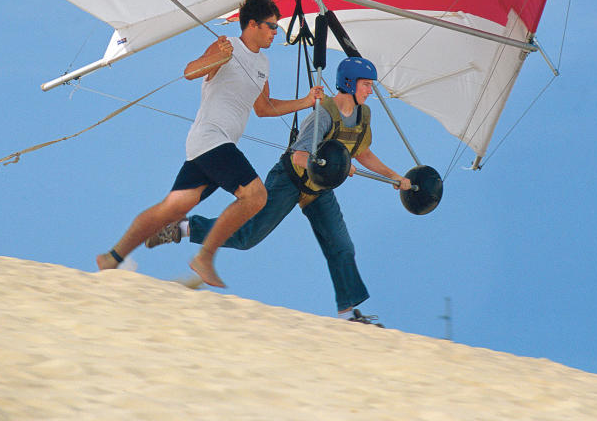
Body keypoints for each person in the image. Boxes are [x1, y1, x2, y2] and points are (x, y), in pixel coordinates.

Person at [146, 56, 411, 325]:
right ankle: (180, 228)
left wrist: (394, 176)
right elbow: (299, 157)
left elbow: (362, 152)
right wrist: (336, 166)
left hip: (318, 188)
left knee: (341, 246)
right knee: (248, 236)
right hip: (290, 179)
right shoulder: (323, 114)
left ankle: (349, 314)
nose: (370, 90)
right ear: (349, 83)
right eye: (366, 84)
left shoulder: (363, 116)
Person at [96, 0, 323, 288]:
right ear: (251, 24)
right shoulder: (226, 45)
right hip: (211, 138)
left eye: (276, 27)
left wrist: (305, 101)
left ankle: (112, 257)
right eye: (270, 26)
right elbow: (190, 72)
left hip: (213, 144)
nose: (274, 33)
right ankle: (205, 257)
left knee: (173, 209)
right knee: (256, 196)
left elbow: (264, 108)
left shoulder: (264, 63)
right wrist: (217, 56)